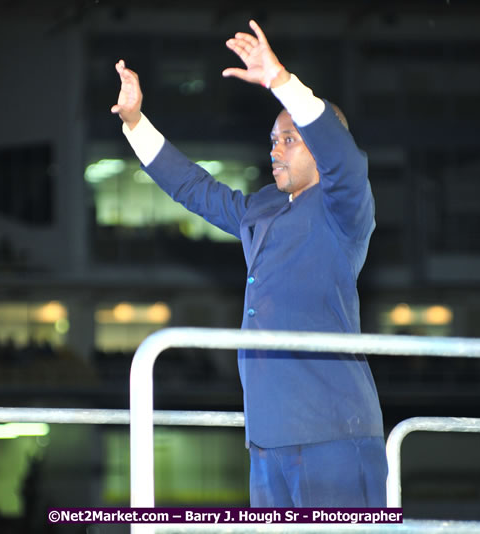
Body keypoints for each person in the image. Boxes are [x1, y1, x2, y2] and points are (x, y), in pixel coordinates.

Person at [112, 20, 387, 507]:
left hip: (333, 431)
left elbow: (346, 159)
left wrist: (282, 82)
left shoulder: (343, 208)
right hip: (266, 437)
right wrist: (136, 123)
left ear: (320, 152)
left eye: (289, 140)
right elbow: (195, 189)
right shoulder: (262, 207)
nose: (274, 150)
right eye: (273, 140)